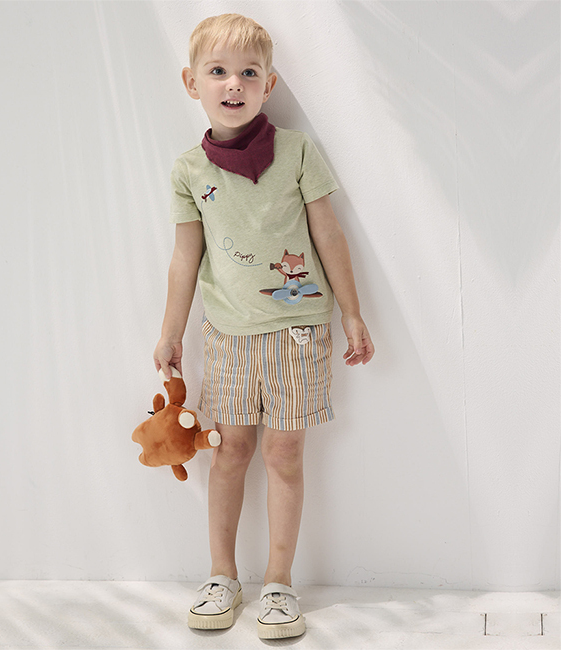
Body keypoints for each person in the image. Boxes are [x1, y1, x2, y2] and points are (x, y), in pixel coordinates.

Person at [153, 13, 374, 640]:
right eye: (218, 71)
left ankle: (279, 584)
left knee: (284, 454)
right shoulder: (189, 171)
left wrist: (352, 311)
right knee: (229, 453)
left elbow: (328, 234)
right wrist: (170, 331)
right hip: (229, 337)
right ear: (192, 83)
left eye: (249, 72)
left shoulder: (298, 152)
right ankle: (221, 576)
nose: (234, 83)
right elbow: (185, 258)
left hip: (299, 332)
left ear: (269, 84)